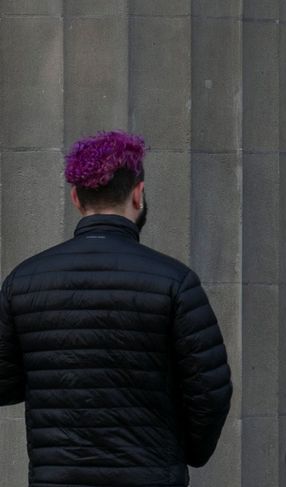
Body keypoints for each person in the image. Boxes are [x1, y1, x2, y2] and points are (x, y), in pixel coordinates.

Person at [0, 131, 233, 486]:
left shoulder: (24, 280)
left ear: (76, 198)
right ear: (138, 194)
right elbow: (209, 391)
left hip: (58, 477)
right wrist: (184, 452)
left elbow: (5, 383)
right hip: (150, 475)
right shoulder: (175, 281)